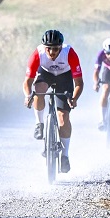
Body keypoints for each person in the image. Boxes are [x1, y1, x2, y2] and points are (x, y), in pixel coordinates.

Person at [22, 29, 83, 174]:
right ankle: (39, 123)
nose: (51, 52)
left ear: (61, 47)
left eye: (55, 49)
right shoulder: (38, 54)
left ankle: (65, 156)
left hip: (64, 77)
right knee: (38, 91)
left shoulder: (70, 53)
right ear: (44, 47)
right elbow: (27, 82)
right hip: (45, 73)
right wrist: (28, 96)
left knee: (63, 117)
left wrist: (74, 99)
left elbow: (79, 83)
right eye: (48, 49)